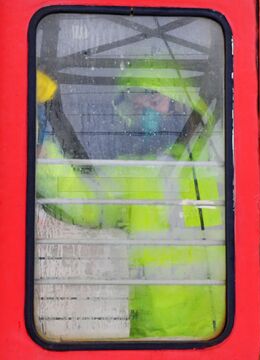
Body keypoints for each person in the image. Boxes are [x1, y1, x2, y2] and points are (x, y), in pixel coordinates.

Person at [35, 62, 226, 339]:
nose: (145, 111)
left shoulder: (222, 151)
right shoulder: (134, 173)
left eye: (152, 98)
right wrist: (42, 156)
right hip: (159, 340)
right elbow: (84, 201)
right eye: (135, 104)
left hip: (237, 335)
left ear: (179, 102)